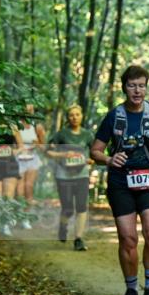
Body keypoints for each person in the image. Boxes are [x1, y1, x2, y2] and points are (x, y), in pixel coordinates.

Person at [90, 66, 149, 295]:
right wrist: (109, 159)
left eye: (141, 85)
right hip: (121, 183)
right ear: (124, 87)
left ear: (146, 87)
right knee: (128, 238)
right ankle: (130, 289)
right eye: (132, 85)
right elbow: (95, 151)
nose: (137, 90)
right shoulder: (113, 116)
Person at [47, 104, 95, 251]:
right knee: (67, 208)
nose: (74, 117)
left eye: (77, 114)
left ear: (82, 116)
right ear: (68, 117)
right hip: (63, 176)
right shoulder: (61, 134)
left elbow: (95, 153)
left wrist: (91, 160)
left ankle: (78, 239)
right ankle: (63, 226)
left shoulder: (87, 135)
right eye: (71, 115)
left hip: (81, 175)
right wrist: (63, 154)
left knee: (81, 206)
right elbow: (48, 151)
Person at [12, 105, 46, 229]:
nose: (28, 112)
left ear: (33, 111)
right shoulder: (16, 125)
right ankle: (16, 215)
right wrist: (26, 147)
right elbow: (20, 144)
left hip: (33, 160)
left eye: (30, 110)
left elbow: (44, 147)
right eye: (25, 110)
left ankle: (26, 217)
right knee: (19, 190)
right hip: (19, 159)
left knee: (28, 188)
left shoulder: (38, 127)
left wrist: (37, 144)